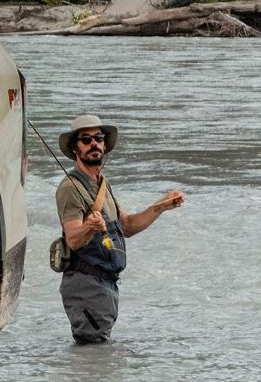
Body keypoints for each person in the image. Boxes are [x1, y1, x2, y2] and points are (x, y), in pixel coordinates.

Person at [55, 114, 185, 344]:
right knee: (92, 355)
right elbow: (73, 239)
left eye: (98, 138)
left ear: (105, 144)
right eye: (86, 139)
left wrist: (161, 207)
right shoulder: (69, 188)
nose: (94, 143)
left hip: (105, 286)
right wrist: (89, 227)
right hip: (86, 285)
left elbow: (127, 226)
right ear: (76, 148)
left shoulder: (102, 183)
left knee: (97, 357)